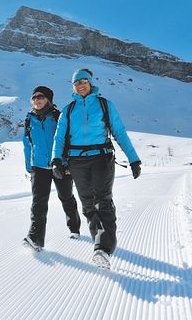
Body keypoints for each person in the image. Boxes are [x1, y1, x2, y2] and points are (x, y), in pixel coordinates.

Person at [51, 69, 141, 269]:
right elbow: (59, 137)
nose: (81, 85)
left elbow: (119, 132)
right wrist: (56, 160)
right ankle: (101, 244)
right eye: (77, 83)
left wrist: (133, 159)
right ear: (73, 87)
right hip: (76, 160)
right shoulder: (68, 109)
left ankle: (102, 248)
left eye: (84, 81)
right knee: (87, 204)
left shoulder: (104, 105)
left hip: (102, 157)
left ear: (90, 83)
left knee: (103, 200)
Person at [22, 85, 82, 252]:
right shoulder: (29, 119)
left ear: (48, 99)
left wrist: (68, 163)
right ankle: (36, 239)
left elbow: (67, 140)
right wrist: (29, 164)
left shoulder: (57, 117)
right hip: (39, 167)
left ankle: (74, 227)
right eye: (34, 98)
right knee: (38, 203)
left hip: (59, 165)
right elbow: (27, 144)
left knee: (66, 197)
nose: (37, 100)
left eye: (40, 97)